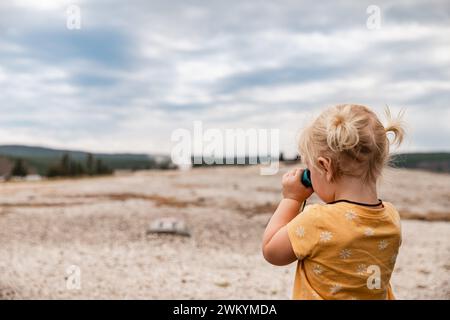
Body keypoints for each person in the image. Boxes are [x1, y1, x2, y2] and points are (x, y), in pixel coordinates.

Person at [262, 104, 405, 300]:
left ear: (325, 167)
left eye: (310, 169)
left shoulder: (318, 220)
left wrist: (292, 199)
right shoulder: (391, 217)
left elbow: (272, 251)